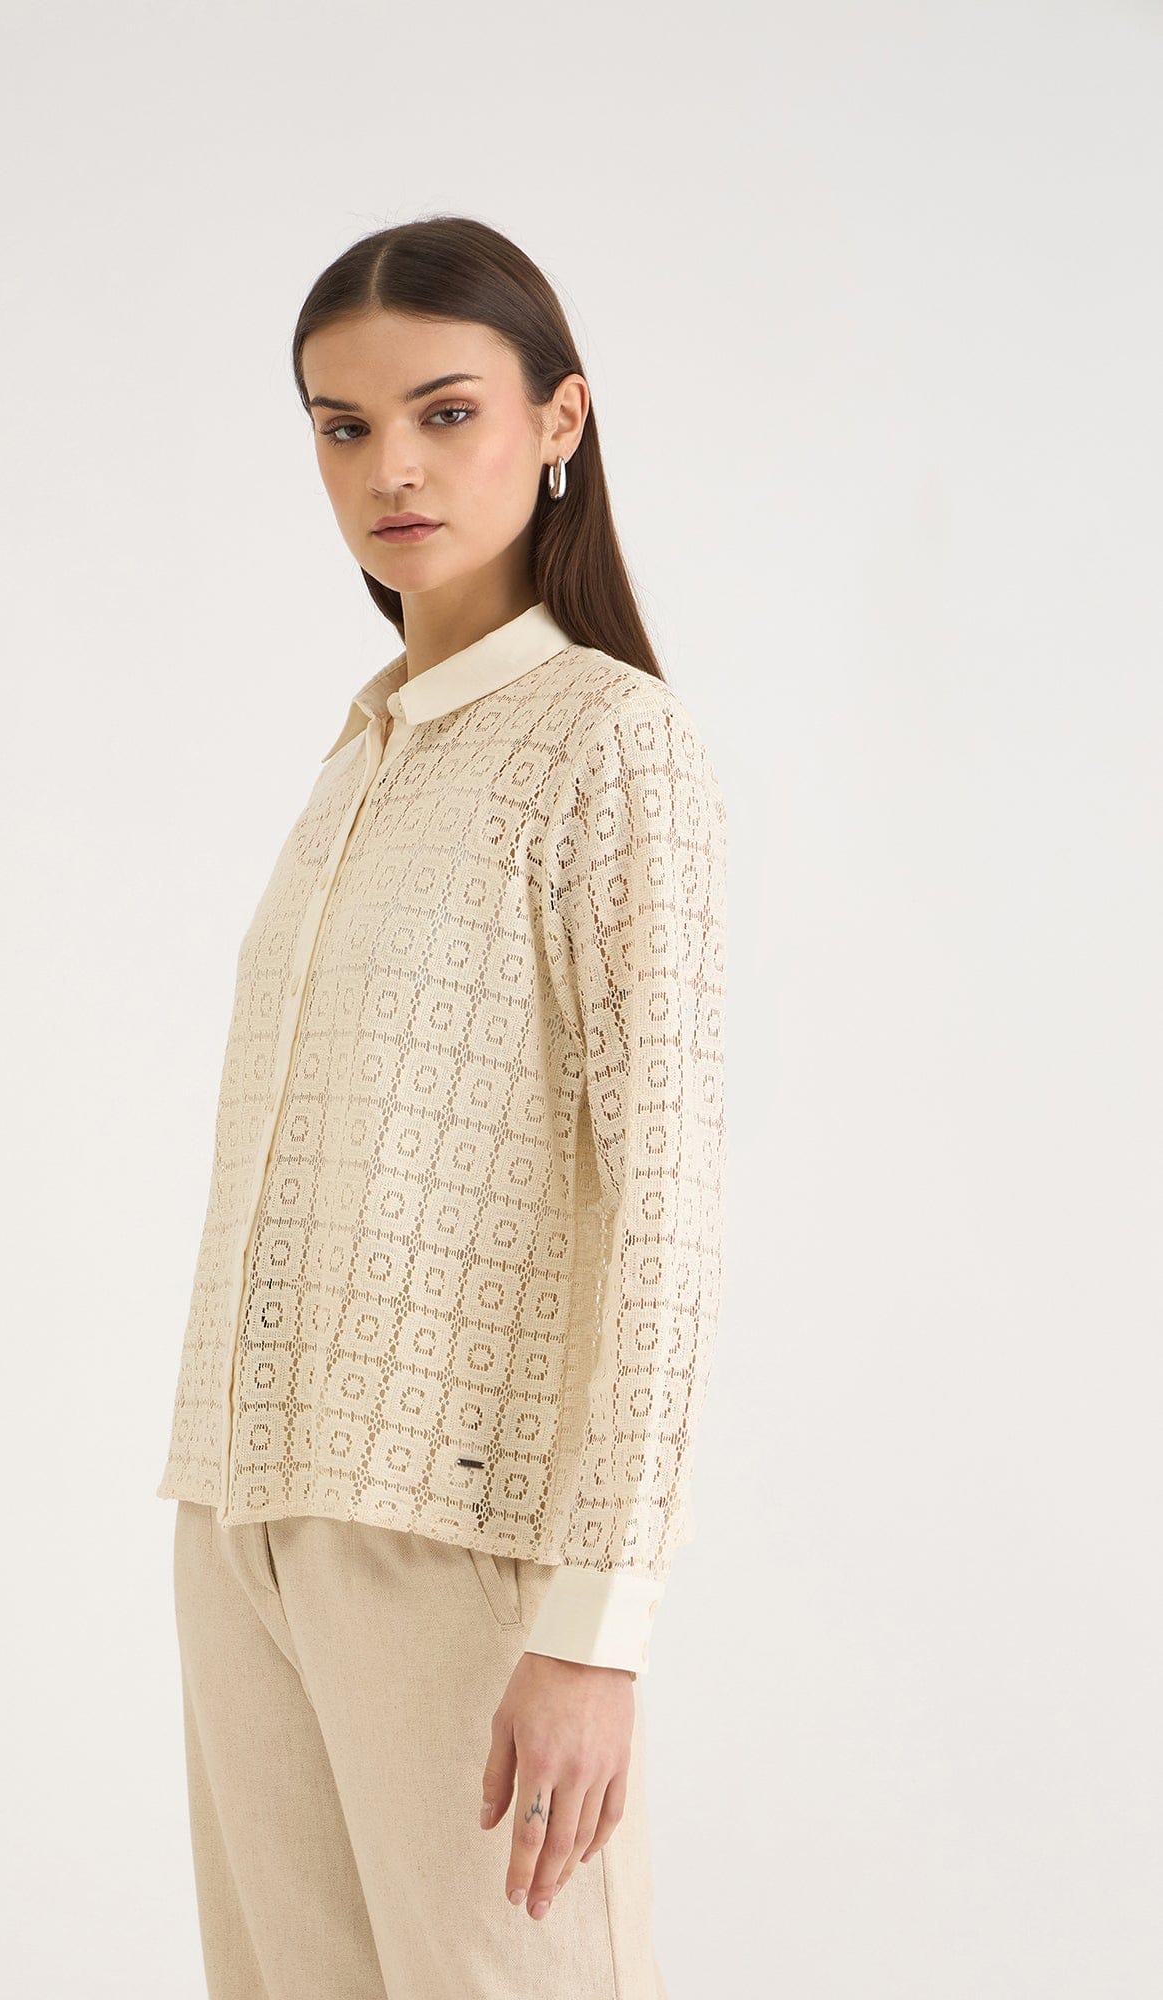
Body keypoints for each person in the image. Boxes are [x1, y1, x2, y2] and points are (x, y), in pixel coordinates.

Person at [154, 214, 729, 2000]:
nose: (390, 466)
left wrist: (596, 1630)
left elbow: (666, 1204)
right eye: (343, 426)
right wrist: (233, 1521)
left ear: (559, 422)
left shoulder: (608, 739)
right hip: (243, 1522)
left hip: (462, 1541)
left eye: (445, 411)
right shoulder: (362, 753)